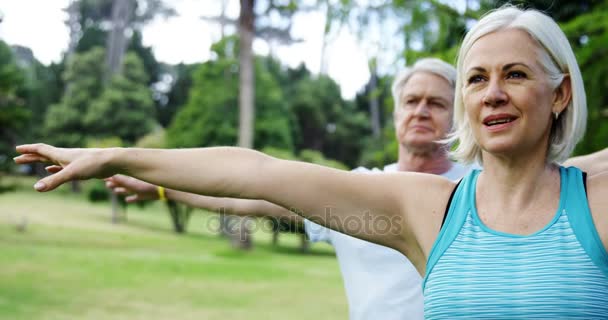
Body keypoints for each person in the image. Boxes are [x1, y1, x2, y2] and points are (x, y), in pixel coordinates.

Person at [14, 6, 608, 318]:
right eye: (477, 79)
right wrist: (120, 157)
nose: (493, 93)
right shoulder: (416, 206)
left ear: (559, 95)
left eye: (517, 75)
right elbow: (258, 178)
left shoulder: (590, 199)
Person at [105, 58, 473, 320]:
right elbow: (252, 198)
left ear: (456, 116)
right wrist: (164, 189)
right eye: (411, 101)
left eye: (436, 103)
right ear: (395, 115)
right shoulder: (357, 190)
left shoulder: (480, 190)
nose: (421, 111)